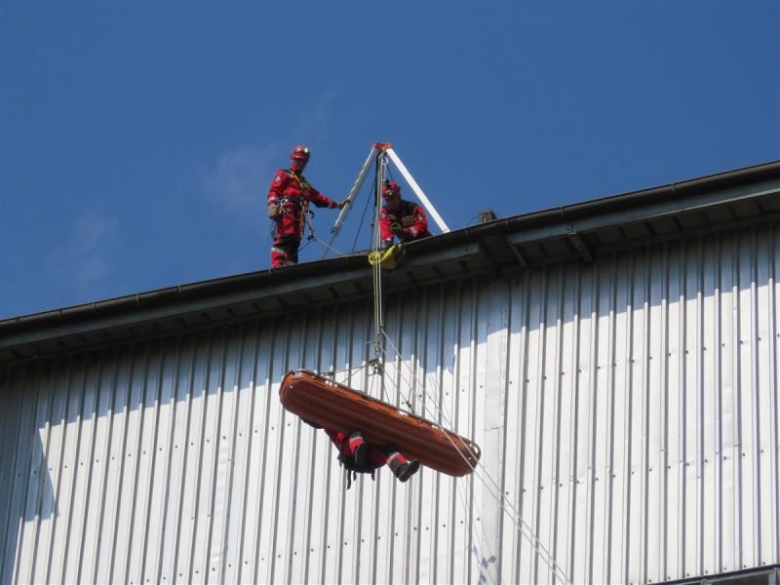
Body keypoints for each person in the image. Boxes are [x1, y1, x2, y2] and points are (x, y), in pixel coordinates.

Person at [267, 146, 346, 267]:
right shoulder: (284, 174)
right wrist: (272, 206)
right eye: (298, 160)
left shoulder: (305, 184)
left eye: (303, 162)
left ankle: (291, 265)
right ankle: (277, 263)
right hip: (287, 210)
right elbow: (274, 191)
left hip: (299, 216)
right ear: (293, 159)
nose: (300, 164)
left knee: (295, 241)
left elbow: (319, 198)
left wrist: (337, 205)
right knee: (286, 235)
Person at [324, 429, 420, 488]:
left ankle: (401, 470)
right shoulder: (338, 427)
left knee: (388, 450)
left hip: (371, 456)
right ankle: (359, 453)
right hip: (353, 456)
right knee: (355, 435)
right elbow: (320, 420)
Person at [379, 180, 431, 248]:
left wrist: (404, 231)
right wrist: (387, 244)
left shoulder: (413, 208)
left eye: (393, 198)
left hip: (424, 241)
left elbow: (422, 225)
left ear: (399, 196)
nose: (391, 202)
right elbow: (386, 231)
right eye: (388, 200)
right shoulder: (385, 212)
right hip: (407, 245)